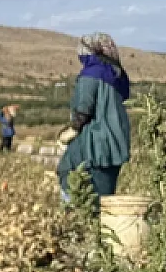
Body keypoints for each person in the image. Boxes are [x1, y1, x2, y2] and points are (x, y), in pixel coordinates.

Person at [56, 33, 131, 202]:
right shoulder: (117, 74)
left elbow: (84, 108)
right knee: (105, 193)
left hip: (94, 142)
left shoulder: (91, 75)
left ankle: (75, 213)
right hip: (116, 143)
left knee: (70, 175)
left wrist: (70, 131)